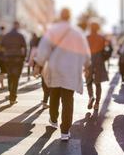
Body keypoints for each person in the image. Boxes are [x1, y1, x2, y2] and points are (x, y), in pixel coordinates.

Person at [34, 8, 91, 141]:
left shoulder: (53, 30)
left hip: (55, 68)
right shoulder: (78, 32)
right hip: (71, 70)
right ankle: (65, 131)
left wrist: (38, 65)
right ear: (70, 17)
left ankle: (53, 119)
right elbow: (85, 52)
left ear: (61, 16)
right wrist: (87, 66)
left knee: (54, 95)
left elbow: (43, 50)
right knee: (68, 100)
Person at [1, 22, 27, 105]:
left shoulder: (6, 35)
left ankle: (10, 90)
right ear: (18, 26)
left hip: (8, 57)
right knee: (16, 77)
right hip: (17, 58)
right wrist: (24, 58)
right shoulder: (20, 36)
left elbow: (2, 46)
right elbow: (23, 48)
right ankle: (13, 97)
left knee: (9, 75)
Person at [85, 19, 109, 110]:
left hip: (89, 60)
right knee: (98, 83)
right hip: (99, 61)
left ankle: (91, 96)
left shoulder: (87, 38)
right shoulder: (102, 38)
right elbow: (105, 49)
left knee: (88, 81)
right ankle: (97, 104)